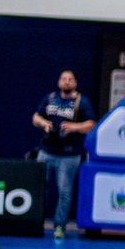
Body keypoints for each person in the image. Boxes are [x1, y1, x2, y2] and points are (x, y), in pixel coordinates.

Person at [32, 70, 93, 233]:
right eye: (64, 79)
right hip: (46, 151)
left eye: (70, 79)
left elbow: (91, 124)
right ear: (59, 82)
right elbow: (36, 117)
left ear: (75, 83)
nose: (67, 82)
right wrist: (44, 123)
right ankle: (34, 221)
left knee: (64, 191)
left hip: (68, 154)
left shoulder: (81, 102)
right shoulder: (50, 98)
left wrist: (75, 127)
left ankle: (59, 225)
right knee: (38, 188)